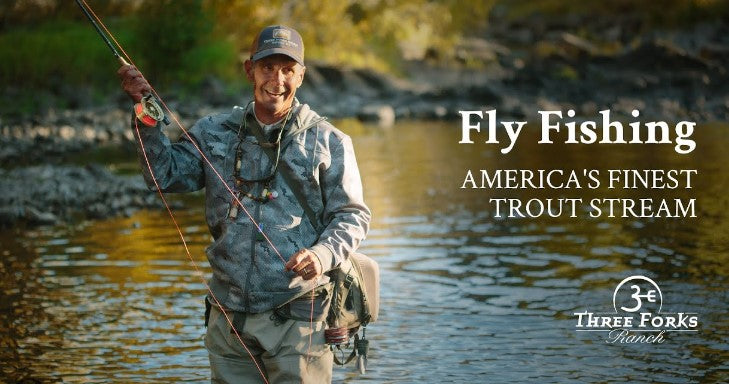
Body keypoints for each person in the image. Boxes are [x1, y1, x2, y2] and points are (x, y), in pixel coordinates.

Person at [117, 25, 371, 383]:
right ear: (249, 69)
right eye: (268, 67)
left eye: (287, 69)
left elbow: (352, 217)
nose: (277, 79)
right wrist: (144, 111)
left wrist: (321, 255)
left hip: (299, 315)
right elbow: (165, 176)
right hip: (229, 318)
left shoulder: (330, 141)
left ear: (301, 74)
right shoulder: (214, 131)